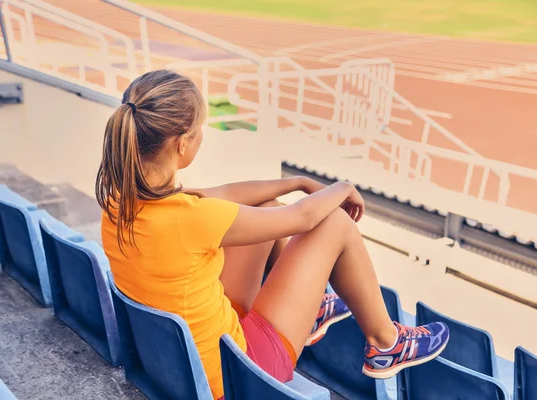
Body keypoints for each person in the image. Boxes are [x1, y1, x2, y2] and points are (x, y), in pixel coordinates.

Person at [96, 70, 449, 400]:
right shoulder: (195, 219)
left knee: (266, 207)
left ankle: (314, 310)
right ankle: (386, 343)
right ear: (182, 144)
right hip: (239, 373)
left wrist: (298, 182)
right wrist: (342, 187)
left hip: (181, 362)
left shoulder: (119, 203)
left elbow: (225, 194)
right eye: (200, 128)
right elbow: (306, 217)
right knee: (336, 224)